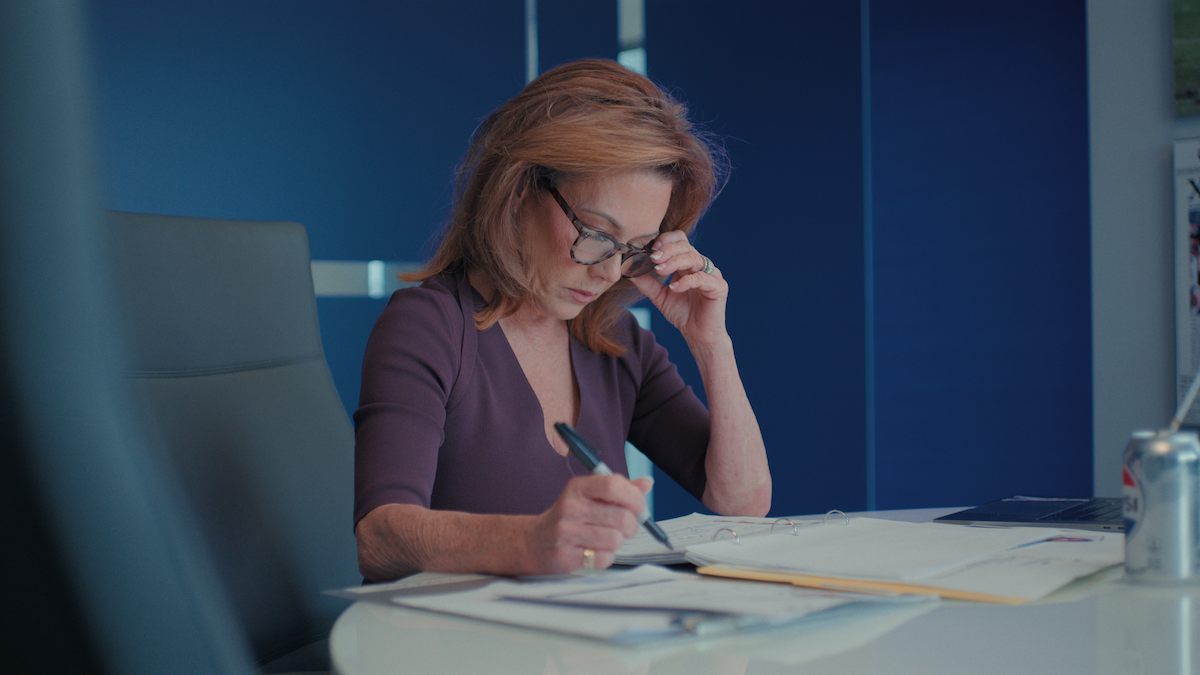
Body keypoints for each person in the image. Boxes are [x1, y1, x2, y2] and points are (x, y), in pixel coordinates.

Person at [353, 59, 770, 582]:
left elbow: (742, 500)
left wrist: (712, 343)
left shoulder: (615, 341)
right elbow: (379, 537)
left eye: (635, 249)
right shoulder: (429, 326)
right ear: (519, 188)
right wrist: (532, 540)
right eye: (596, 234)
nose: (610, 273)